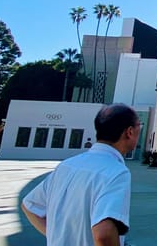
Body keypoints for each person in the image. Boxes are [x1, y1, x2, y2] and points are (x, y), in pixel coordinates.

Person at [21, 104, 140, 246]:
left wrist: (58, 236)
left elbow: (29, 206)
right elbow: (104, 235)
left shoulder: (66, 165)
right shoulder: (116, 172)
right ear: (130, 132)